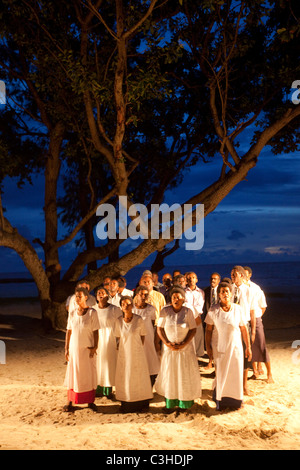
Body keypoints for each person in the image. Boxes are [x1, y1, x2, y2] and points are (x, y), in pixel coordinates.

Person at [205, 282, 252, 411]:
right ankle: (221, 401)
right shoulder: (213, 310)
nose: (225, 293)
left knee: (236, 373)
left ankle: (237, 402)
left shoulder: (238, 309)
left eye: (227, 291)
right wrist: (208, 347)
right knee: (221, 373)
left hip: (236, 347)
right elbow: (208, 330)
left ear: (231, 294)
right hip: (220, 348)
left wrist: (248, 347)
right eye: (222, 291)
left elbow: (243, 329)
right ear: (218, 294)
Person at [154, 287, 202, 412]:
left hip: (185, 350)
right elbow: (159, 329)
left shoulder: (188, 312)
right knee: (170, 374)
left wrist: (184, 344)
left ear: (183, 299)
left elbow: (193, 329)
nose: (176, 299)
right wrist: (167, 343)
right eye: (174, 297)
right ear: (171, 299)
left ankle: (184, 403)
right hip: (169, 349)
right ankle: (170, 403)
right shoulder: (165, 311)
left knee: (184, 374)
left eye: (179, 297)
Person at [114, 296, 153, 413]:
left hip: (137, 353)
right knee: (125, 376)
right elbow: (118, 337)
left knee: (138, 377)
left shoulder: (139, 319)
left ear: (132, 305)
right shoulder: (118, 321)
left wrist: (136, 348)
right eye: (124, 304)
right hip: (124, 354)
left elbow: (142, 336)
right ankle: (126, 402)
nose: (126, 306)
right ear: (121, 306)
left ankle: (141, 403)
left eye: (128, 304)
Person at [63, 287, 100, 412]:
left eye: (80, 296)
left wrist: (95, 346)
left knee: (88, 374)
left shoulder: (92, 313)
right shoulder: (72, 313)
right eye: (76, 296)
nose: (77, 298)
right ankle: (70, 401)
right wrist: (66, 348)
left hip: (87, 348)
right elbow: (69, 331)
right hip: (74, 348)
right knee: (73, 373)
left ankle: (90, 401)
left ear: (86, 297)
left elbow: (96, 331)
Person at [244, 267, 274, 383]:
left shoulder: (256, 288)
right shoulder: (239, 288)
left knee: (261, 346)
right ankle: (255, 371)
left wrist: (258, 317)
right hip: (245, 320)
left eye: (246, 274)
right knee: (249, 346)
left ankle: (269, 374)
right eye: (242, 274)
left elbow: (263, 306)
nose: (244, 276)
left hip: (255, 319)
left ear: (250, 275)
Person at [231, 265, 255, 395]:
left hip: (245, 325)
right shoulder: (229, 289)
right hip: (232, 326)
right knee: (234, 354)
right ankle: (235, 385)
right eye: (231, 274)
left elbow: (252, 311)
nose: (232, 276)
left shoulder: (248, 291)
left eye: (234, 274)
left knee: (246, 355)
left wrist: (254, 330)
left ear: (241, 274)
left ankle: (244, 386)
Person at [94, 286, 122, 398]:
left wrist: (119, 340)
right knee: (97, 364)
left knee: (109, 364)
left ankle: (108, 389)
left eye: (102, 293)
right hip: (97, 338)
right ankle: (97, 388)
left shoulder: (115, 309)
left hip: (110, 338)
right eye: (98, 293)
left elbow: (120, 325)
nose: (100, 294)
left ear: (107, 296)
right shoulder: (93, 309)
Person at [133, 286, 161, 385]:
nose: (143, 296)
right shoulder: (132, 308)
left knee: (149, 359)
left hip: (148, 337)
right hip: (135, 338)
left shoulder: (151, 309)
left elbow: (153, 323)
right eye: (141, 294)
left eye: (146, 294)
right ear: (137, 295)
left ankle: (149, 383)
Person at [203, 272, 221, 369]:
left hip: (219, 318)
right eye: (211, 278)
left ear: (219, 280)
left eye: (215, 279)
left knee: (217, 341)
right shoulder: (205, 291)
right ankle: (210, 361)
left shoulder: (221, 291)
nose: (213, 280)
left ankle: (216, 362)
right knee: (209, 341)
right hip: (209, 318)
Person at [185, 271, 205, 357]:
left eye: (193, 278)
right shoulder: (184, 292)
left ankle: (197, 357)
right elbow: (185, 305)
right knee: (188, 338)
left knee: (198, 338)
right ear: (186, 280)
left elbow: (200, 305)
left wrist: (193, 312)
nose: (191, 280)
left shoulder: (201, 292)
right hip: (186, 317)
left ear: (196, 279)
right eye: (189, 278)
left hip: (197, 317)